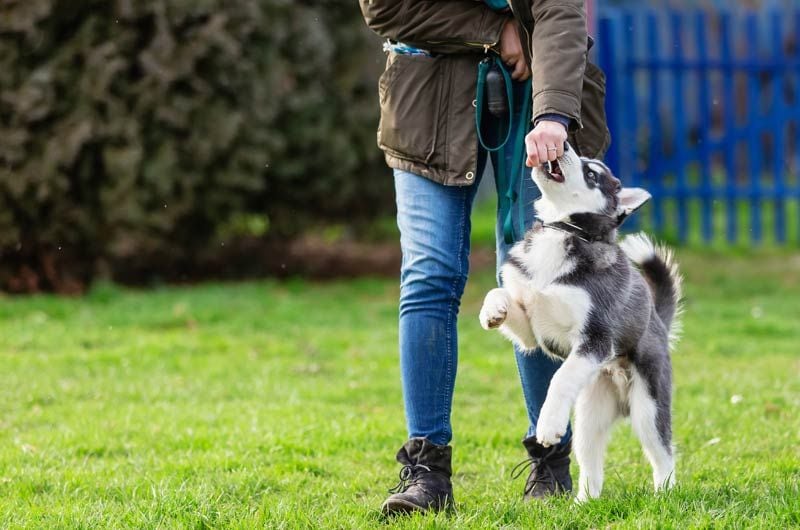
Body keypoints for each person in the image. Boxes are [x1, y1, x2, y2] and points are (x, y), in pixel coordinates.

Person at [359, 0, 610, 515]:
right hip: (425, 95)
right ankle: (426, 472)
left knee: (540, 278)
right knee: (429, 275)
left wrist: (555, 113)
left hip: (539, 91)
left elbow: (561, 11)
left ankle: (550, 458)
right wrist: (494, 30)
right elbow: (386, 7)